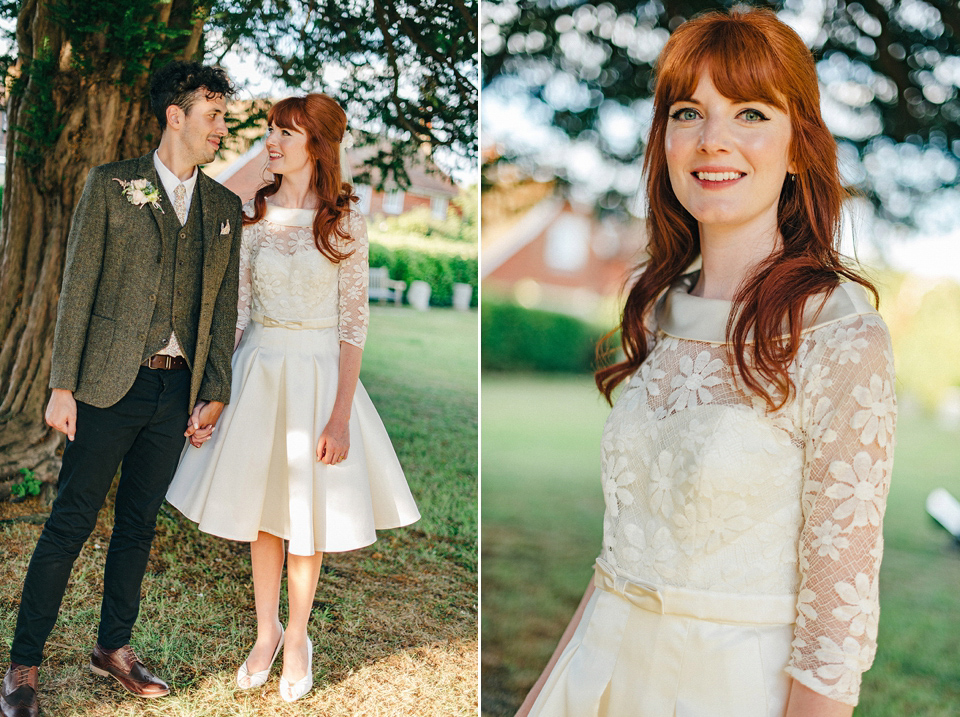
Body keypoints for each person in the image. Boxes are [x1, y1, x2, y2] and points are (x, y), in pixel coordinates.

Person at [516, 8, 895, 717]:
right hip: (599, 673)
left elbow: (836, 620)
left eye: (750, 112)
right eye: (689, 112)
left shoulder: (842, 334)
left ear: (799, 148)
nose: (712, 140)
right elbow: (619, 560)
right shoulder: (661, 311)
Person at [0, 62, 242, 717]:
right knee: (68, 524)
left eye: (225, 115)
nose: (224, 126)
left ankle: (114, 648)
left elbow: (222, 309)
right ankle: (22, 666)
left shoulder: (225, 207)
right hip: (107, 386)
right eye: (213, 114)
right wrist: (62, 385)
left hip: (174, 394)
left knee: (138, 526)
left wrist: (214, 387)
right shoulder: (111, 185)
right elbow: (76, 288)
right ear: (176, 115)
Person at [165, 93, 420, 703]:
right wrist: (213, 394)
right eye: (270, 132)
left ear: (317, 145)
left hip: (316, 378)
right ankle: (265, 631)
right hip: (258, 370)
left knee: (306, 516)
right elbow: (235, 317)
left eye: (284, 133)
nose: (271, 143)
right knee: (264, 515)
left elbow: (353, 327)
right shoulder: (252, 218)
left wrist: (339, 415)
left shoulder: (348, 223)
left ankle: (299, 635)